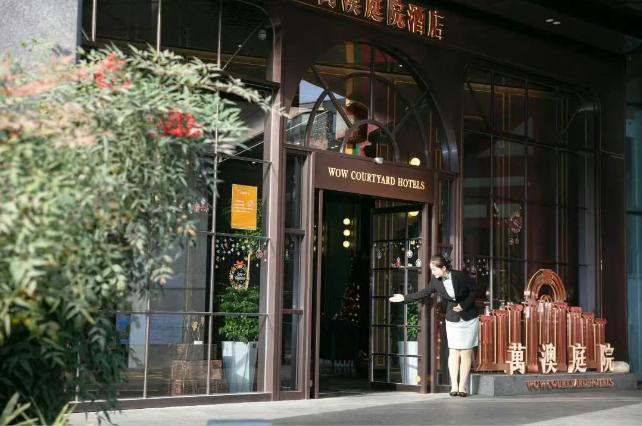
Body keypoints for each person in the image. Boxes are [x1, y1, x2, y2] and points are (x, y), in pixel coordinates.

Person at [389, 254, 479, 397]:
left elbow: (474, 291)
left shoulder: (460, 275)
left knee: (465, 352)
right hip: (452, 317)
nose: (433, 272)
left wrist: (463, 305)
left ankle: (462, 387)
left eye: (434, 269)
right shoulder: (436, 281)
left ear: (443, 268)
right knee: (454, 351)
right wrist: (404, 298)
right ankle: (454, 386)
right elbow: (424, 292)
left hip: (469, 317)